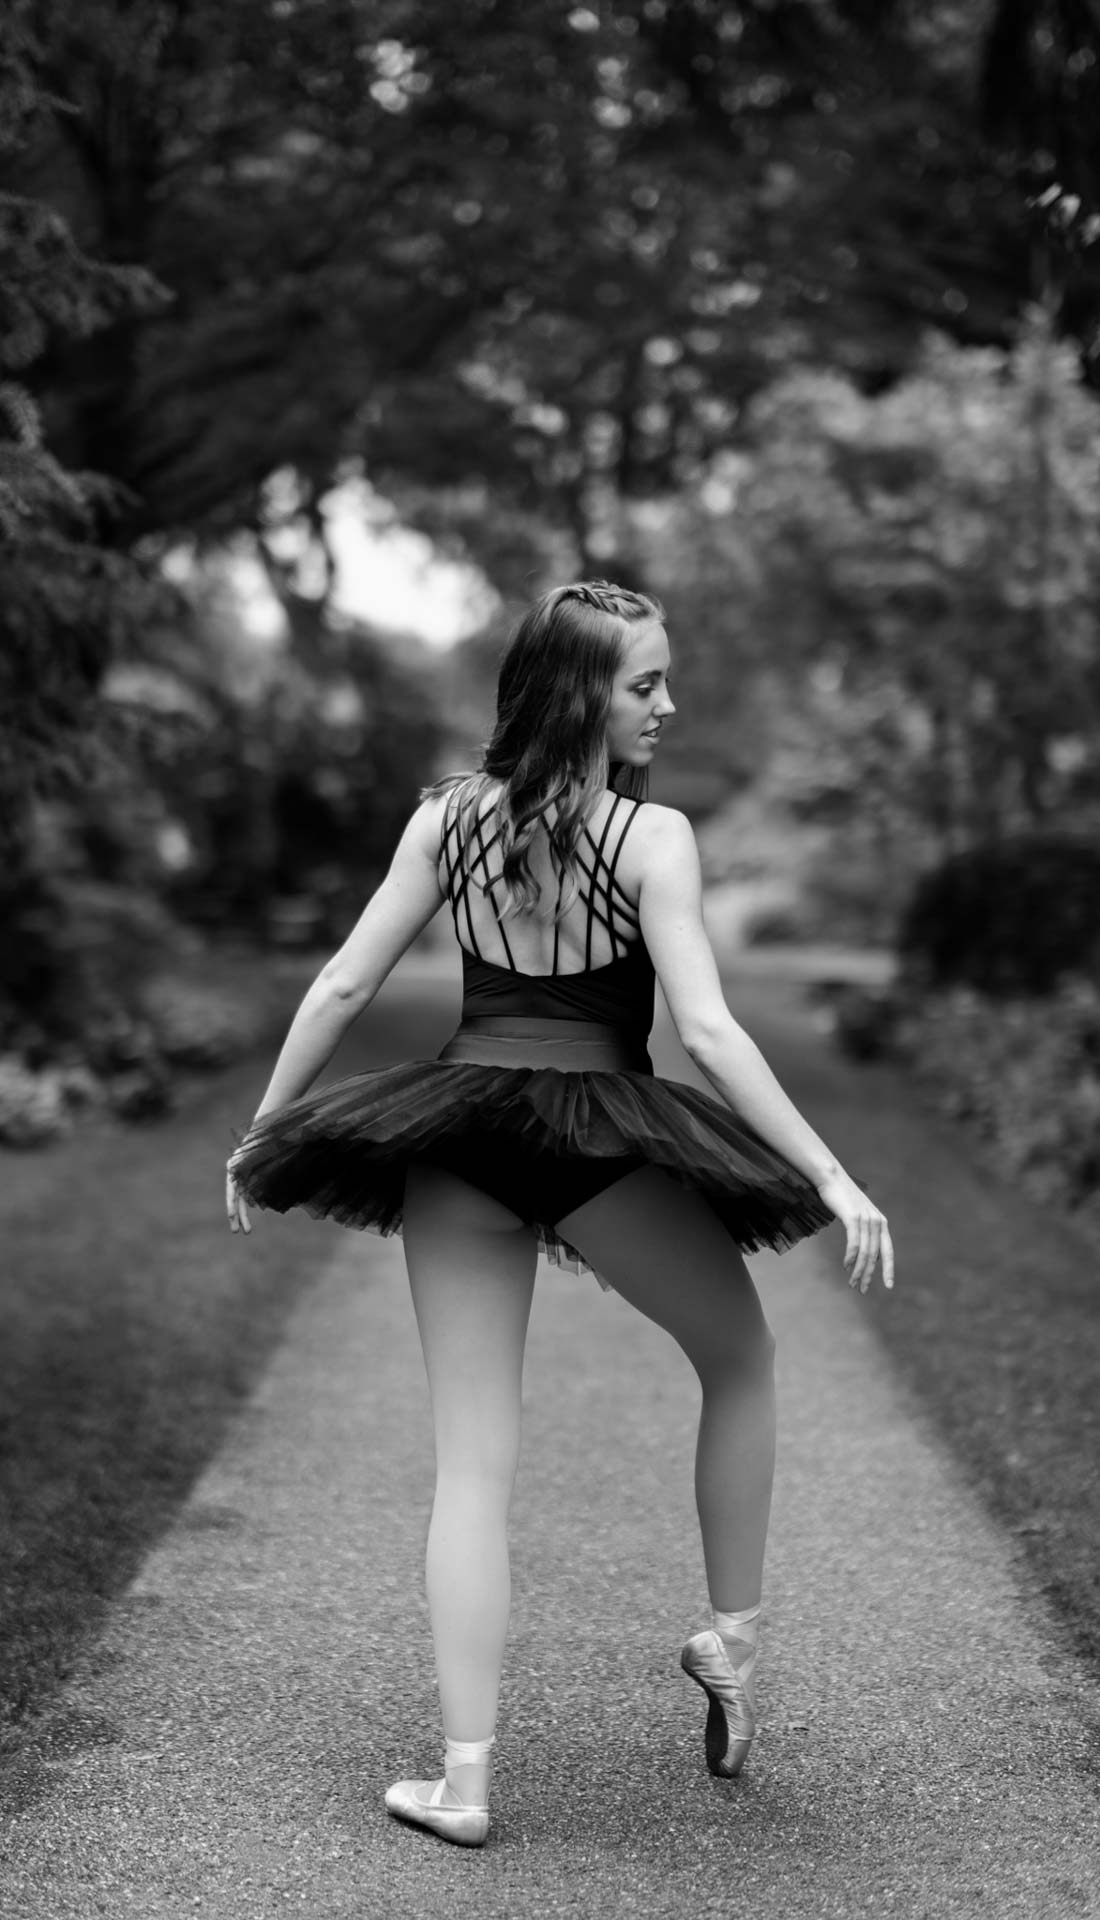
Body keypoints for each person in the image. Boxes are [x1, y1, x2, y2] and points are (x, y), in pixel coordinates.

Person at [226, 579, 893, 1848]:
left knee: (471, 1462)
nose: (666, 704)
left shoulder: (443, 825)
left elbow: (344, 978)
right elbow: (700, 1029)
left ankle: (464, 1786)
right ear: (583, 691)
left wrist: (268, 1122)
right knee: (739, 1354)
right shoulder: (652, 838)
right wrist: (829, 1174)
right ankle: (728, 1643)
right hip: (599, 1140)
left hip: (456, 1141)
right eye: (644, 683)